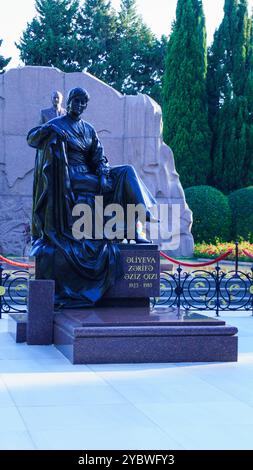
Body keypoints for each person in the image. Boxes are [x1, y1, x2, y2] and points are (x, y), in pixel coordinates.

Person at [27, 87, 156, 308]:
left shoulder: (88, 130)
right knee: (100, 182)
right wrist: (50, 130)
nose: (78, 106)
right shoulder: (58, 124)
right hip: (69, 177)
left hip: (91, 175)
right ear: (69, 103)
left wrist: (104, 174)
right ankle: (133, 223)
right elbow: (32, 138)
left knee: (126, 171)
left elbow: (99, 157)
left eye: (82, 103)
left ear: (86, 106)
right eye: (75, 101)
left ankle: (140, 219)